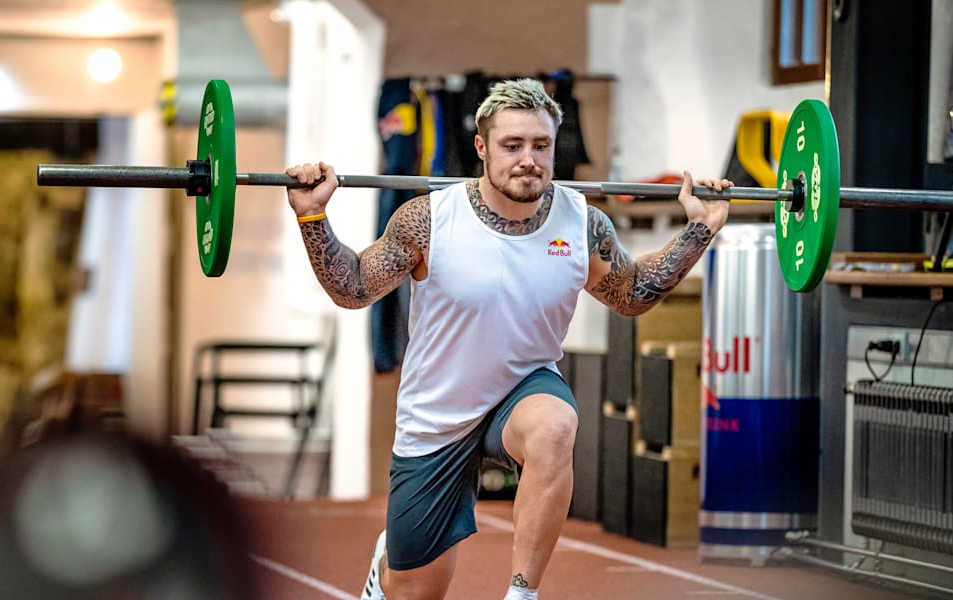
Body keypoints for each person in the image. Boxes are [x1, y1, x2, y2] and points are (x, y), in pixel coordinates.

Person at [285, 78, 732, 600]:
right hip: (437, 414)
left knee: (555, 427)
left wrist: (700, 229)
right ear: (481, 148)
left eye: (540, 146)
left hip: (521, 392)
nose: (528, 160)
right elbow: (354, 287)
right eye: (512, 145)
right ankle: (389, 564)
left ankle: (522, 593)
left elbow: (631, 294)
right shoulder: (430, 219)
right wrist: (312, 216)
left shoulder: (582, 223)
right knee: (414, 592)